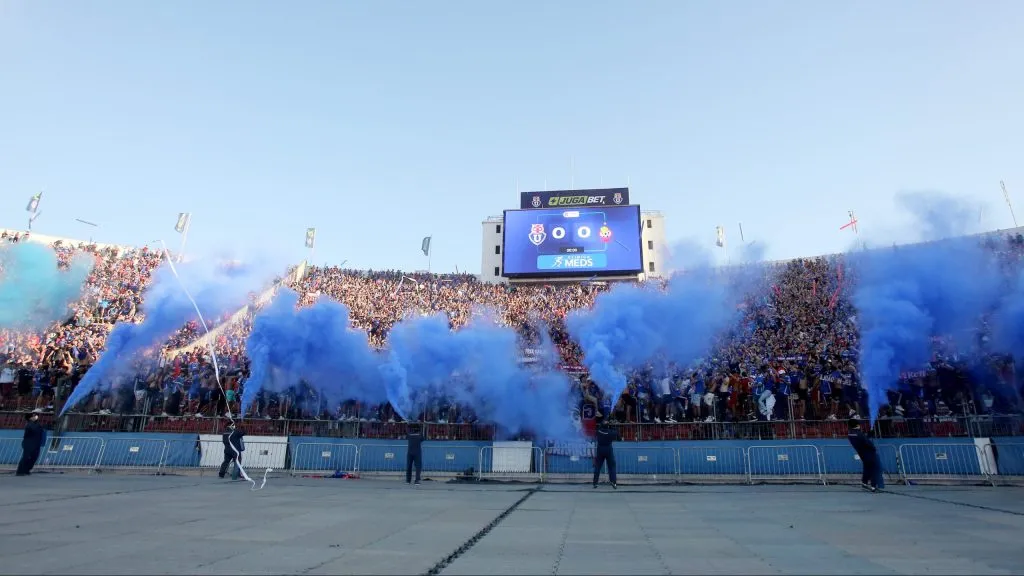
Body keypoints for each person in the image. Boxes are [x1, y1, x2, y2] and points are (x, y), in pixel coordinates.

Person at [847, 418, 883, 491]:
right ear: (856, 425)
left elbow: (862, 438)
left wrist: (868, 435)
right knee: (873, 468)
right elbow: (867, 442)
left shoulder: (850, 433)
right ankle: (873, 486)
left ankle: (864, 482)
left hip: (861, 452)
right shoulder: (859, 434)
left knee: (867, 468)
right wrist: (873, 447)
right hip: (868, 452)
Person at [593, 417, 618, 489]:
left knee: (597, 466)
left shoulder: (598, 431)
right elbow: (616, 432)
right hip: (608, 449)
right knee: (612, 466)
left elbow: (598, 429)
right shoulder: (610, 433)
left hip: (600, 449)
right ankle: (613, 482)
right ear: (608, 426)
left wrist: (603, 424)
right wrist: (612, 426)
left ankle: (595, 483)